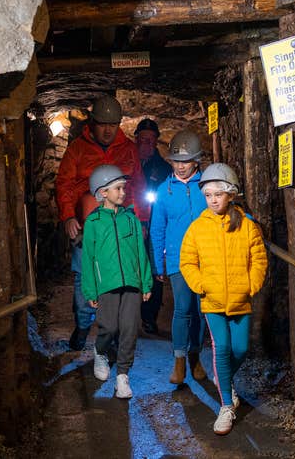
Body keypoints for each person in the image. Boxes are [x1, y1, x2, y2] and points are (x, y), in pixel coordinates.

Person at [179, 163, 267, 435]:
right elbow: (187, 262)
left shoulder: (246, 225)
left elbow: (259, 259)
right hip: (213, 301)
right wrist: (200, 285)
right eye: (208, 195)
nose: (213, 199)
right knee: (223, 347)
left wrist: (250, 286)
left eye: (218, 194)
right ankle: (226, 406)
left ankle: (223, 377)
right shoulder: (197, 228)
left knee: (239, 349)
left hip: (241, 300)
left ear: (231, 194)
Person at [56, 95, 146, 351]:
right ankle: (84, 325)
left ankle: (115, 332)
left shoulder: (127, 149)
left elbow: (138, 186)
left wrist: (140, 219)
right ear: (93, 123)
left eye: (113, 124)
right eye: (102, 124)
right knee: (85, 278)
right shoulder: (77, 149)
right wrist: (68, 216)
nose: (108, 130)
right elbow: (64, 184)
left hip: (119, 227)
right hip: (87, 226)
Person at [82, 165, 152, 399]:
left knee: (130, 329)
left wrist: (146, 281)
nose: (123, 192)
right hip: (106, 285)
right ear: (103, 192)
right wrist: (90, 289)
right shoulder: (94, 222)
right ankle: (100, 351)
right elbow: (89, 259)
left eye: (124, 187)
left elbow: (141, 252)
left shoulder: (131, 219)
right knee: (109, 327)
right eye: (118, 188)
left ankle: (123, 375)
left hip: (132, 283)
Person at [149, 130, 208, 384]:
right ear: (170, 161)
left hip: (206, 258)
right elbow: (157, 228)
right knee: (182, 310)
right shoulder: (164, 191)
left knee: (201, 311)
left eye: (186, 161)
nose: (181, 166)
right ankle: (179, 362)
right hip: (177, 260)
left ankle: (196, 358)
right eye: (176, 161)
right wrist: (157, 262)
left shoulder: (208, 186)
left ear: (196, 161)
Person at [135, 118, 172, 335]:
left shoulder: (163, 169)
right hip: (130, 221)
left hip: (153, 222)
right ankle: (129, 316)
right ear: (136, 138)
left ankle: (149, 316)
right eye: (143, 139)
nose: (147, 143)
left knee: (153, 269)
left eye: (151, 140)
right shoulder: (127, 161)